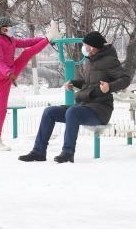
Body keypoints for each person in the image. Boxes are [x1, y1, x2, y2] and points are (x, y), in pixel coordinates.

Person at [19, 31, 130, 163]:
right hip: (85, 105)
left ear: (93, 47)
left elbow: (125, 79)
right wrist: (74, 83)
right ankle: (38, 152)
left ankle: (67, 153)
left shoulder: (109, 61)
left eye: (85, 45)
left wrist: (109, 87)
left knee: (73, 112)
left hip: (100, 109)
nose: (83, 47)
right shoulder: (90, 60)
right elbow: (88, 81)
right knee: (50, 112)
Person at [0, 17, 60, 152]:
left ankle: (50, 37)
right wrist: (8, 73)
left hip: (9, 73)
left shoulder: (9, 39)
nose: (12, 29)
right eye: (10, 27)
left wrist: (43, 39)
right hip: (0, 79)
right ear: (3, 29)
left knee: (26, 53)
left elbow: (27, 42)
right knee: (1, 111)